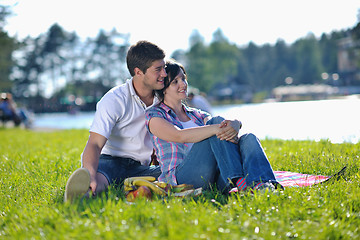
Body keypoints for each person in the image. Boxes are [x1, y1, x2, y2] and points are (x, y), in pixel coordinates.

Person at [145, 60, 282, 193]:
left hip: (213, 177)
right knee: (214, 125)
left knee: (248, 138)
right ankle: (240, 181)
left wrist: (236, 123)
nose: (183, 84)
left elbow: (222, 126)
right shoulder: (155, 115)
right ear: (163, 89)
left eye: (183, 79)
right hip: (181, 178)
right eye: (175, 82)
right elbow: (179, 136)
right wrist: (216, 128)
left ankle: (263, 185)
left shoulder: (196, 114)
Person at [64, 41, 167, 202]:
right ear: (138, 72)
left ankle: (136, 188)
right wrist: (90, 174)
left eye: (164, 68)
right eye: (158, 69)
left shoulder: (162, 98)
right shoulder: (114, 99)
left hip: (141, 167)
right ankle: (83, 192)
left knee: (171, 175)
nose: (164, 74)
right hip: (110, 161)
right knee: (99, 182)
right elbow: (95, 144)